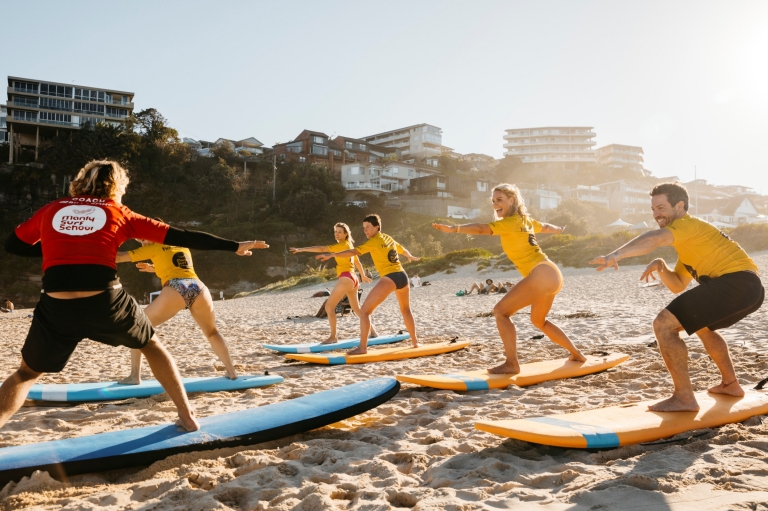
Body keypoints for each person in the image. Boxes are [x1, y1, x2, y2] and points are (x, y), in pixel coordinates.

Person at [1, 159, 268, 431]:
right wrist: (234, 245)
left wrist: (57, 250)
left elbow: (13, 245)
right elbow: (184, 236)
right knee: (152, 345)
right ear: (117, 186)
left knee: (25, 373)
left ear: (80, 182)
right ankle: (187, 416)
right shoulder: (119, 212)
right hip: (105, 300)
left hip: (57, 303)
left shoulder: (52, 210)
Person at [590, 181, 764, 412]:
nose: (656, 214)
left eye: (661, 208)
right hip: (750, 290)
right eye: (653, 209)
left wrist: (616, 254)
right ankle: (731, 385)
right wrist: (662, 265)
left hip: (735, 283)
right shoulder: (689, 244)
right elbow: (677, 285)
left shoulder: (688, 225)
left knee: (663, 324)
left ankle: (684, 398)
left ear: (679, 206)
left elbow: (655, 238)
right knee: (702, 326)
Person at [433, 183, 586, 374]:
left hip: (542, 274)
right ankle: (576, 354)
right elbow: (545, 227)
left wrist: (453, 228)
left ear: (511, 200)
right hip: (552, 273)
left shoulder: (510, 222)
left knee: (500, 312)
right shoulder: (526, 220)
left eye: (500, 200)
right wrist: (558, 229)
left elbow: (482, 229)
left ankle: (512, 363)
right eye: (493, 201)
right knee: (539, 321)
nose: (495, 204)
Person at [115, 227, 239, 384]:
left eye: (143, 239)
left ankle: (134, 376)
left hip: (176, 288)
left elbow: (118, 257)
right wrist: (153, 268)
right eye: (139, 240)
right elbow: (176, 266)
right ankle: (232, 372)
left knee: (137, 327)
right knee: (212, 332)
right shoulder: (180, 244)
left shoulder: (153, 247)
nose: (141, 243)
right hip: (198, 287)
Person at [316, 214, 420, 355]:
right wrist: (409, 256)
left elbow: (353, 251)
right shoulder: (388, 238)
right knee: (406, 310)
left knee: (365, 312)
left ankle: (362, 348)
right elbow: (402, 249)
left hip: (390, 278)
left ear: (377, 227)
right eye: (364, 228)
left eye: (368, 228)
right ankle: (415, 342)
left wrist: (333, 254)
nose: (365, 231)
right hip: (402, 276)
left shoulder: (374, 241)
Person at [290, 223, 378, 343]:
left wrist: (301, 249)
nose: (336, 234)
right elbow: (357, 262)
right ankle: (373, 331)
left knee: (329, 306)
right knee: (357, 309)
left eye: (339, 232)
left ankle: (333, 337)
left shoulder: (341, 245)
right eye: (335, 231)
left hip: (346, 278)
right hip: (354, 278)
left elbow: (321, 249)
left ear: (346, 234)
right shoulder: (349, 245)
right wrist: (362, 275)